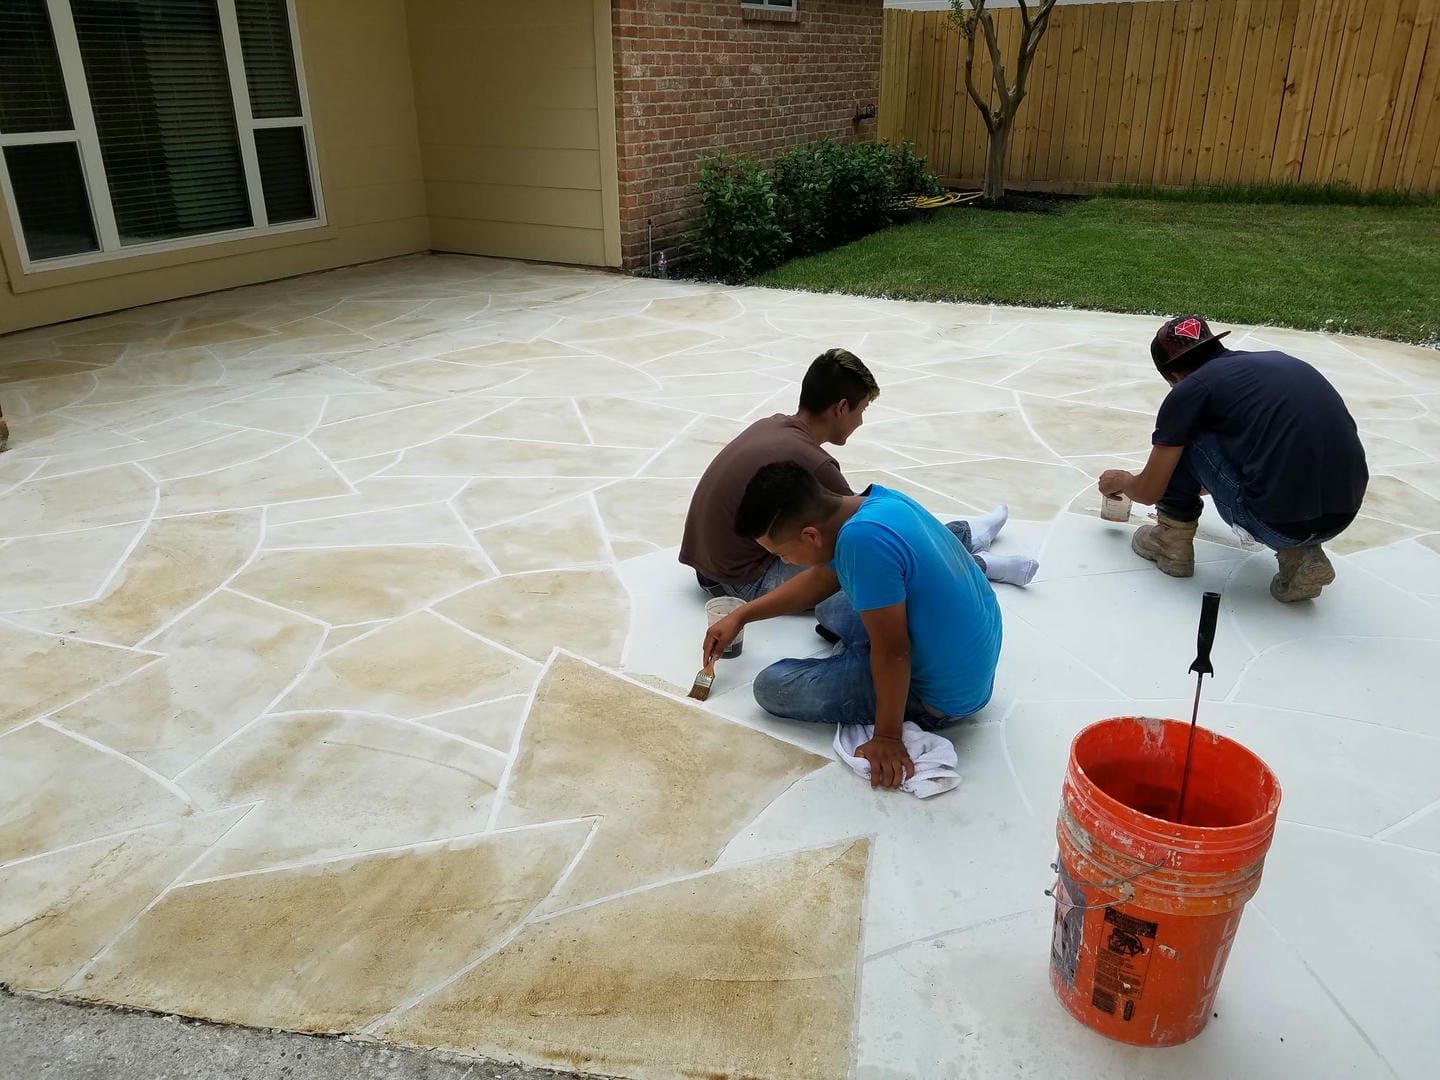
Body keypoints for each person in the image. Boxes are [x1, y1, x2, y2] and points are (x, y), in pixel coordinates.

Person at [702, 462, 1003, 790]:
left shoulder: (862, 544)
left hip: (943, 696)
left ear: (810, 535)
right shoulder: (877, 502)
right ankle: (855, 657)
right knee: (831, 607)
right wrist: (741, 615)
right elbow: (821, 578)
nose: (785, 562)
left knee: (773, 687)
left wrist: (887, 736)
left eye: (783, 554)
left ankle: (858, 666)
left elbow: (893, 651)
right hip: (963, 648)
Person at [680, 347, 1037, 604]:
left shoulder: (773, 425)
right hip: (743, 581)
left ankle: (968, 533)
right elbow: (869, 534)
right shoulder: (814, 463)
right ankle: (978, 564)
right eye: (862, 409)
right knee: (874, 558)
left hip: (711, 568)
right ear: (840, 408)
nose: (862, 421)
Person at [1098, 315, 1368, 603]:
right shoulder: (1278, 362)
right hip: (1342, 515)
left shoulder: (1191, 390)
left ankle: (1171, 544)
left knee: (1186, 436)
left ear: (1174, 377)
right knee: (1276, 460)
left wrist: (1124, 481)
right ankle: (1301, 554)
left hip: (1274, 523)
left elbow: (1150, 491)